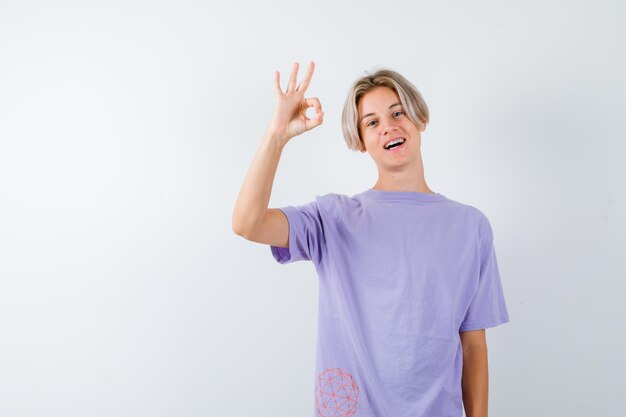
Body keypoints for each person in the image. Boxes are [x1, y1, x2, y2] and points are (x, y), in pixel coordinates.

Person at [232, 61, 510, 417]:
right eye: (372, 122)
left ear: (420, 119)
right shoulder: (332, 219)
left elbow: (473, 345)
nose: (389, 127)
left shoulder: (471, 227)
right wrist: (277, 135)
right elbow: (247, 223)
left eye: (398, 113)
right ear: (360, 141)